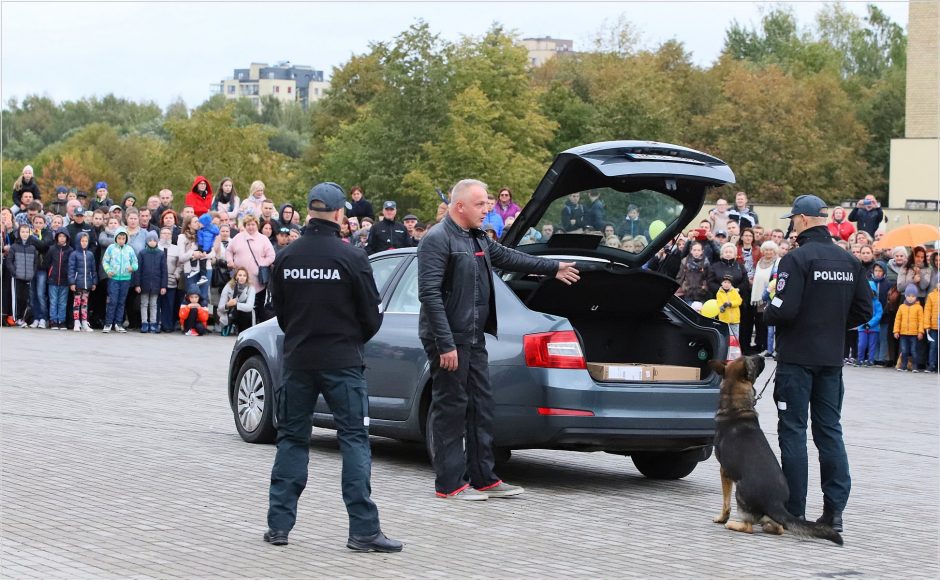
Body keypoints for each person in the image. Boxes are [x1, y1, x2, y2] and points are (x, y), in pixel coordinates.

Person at [417, 178, 580, 501]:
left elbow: (511, 258)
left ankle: (484, 477)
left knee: (481, 406)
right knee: (451, 409)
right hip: (449, 340)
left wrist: (554, 268)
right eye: (480, 205)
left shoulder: (477, 237)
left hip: (475, 337)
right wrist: (446, 343)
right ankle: (450, 484)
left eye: (488, 203)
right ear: (460, 206)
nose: (487, 210)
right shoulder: (437, 239)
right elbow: (430, 295)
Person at [264, 181, 402, 553]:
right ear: (341, 214)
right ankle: (363, 531)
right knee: (354, 441)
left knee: (292, 439)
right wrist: (349, 339)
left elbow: (280, 313)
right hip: (342, 363)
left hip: (299, 360)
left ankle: (278, 526)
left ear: (310, 211)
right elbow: (371, 317)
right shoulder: (352, 258)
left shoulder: (288, 257)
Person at [763, 194, 871, 533]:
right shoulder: (849, 260)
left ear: (805, 220)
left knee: (793, 431)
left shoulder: (797, 259)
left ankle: (793, 510)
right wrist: (832, 326)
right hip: (831, 361)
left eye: (793, 219)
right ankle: (834, 512)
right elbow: (864, 311)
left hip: (797, 360)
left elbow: (783, 309)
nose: (791, 225)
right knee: (829, 431)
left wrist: (765, 314)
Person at [225, 215, 275, 321]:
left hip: (257, 279)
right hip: (240, 279)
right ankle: (241, 325)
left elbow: (271, 256)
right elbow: (228, 251)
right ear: (245, 226)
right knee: (241, 303)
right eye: (248, 225)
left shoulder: (263, 239)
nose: (251, 227)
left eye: (253, 224)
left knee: (258, 304)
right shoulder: (238, 237)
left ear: (257, 225)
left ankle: (257, 324)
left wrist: (262, 264)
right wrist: (230, 261)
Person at [101, 227, 139, 333]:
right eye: (119, 238)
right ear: (116, 238)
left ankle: (118, 323)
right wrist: (108, 270)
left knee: (121, 302)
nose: (121, 240)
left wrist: (133, 267)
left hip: (126, 279)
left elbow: (135, 262)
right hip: (113, 278)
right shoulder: (111, 248)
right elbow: (105, 261)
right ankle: (108, 323)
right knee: (112, 301)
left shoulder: (130, 249)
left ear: (126, 239)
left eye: (123, 238)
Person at [133, 231, 168, 333]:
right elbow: (138, 270)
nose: (152, 242)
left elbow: (164, 271)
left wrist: (163, 286)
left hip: (156, 285)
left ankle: (153, 323)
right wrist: (137, 284)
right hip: (144, 284)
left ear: (157, 241)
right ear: (147, 241)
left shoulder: (161, 254)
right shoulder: (142, 253)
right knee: (144, 304)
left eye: (154, 240)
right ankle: (144, 323)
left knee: (153, 304)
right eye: (150, 240)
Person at [7, 223, 41, 327]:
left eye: (27, 232)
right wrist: (14, 272)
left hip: (28, 278)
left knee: (25, 299)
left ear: (30, 233)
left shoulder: (32, 248)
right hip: (17, 277)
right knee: (17, 298)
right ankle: (16, 318)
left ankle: (22, 318)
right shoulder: (14, 247)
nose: (25, 234)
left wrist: (33, 273)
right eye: (22, 232)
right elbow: (9, 261)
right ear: (19, 233)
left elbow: (36, 262)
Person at [68, 231, 97, 332]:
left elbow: (93, 270)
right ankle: (76, 322)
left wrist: (94, 282)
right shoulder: (74, 254)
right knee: (76, 304)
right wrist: (72, 282)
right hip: (77, 284)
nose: (84, 243)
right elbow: (71, 269)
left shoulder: (90, 255)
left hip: (87, 284)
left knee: (85, 304)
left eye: (86, 241)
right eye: (82, 241)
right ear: (78, 241)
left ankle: (84, 322)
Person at [45, 228, 73, 330]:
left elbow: (71, 266)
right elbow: (47, 263)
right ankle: (53, 321)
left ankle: (61, 321)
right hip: (53, 280)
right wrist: (50, 273)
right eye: (60, 236)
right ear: (56, 238)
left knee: (62, 302)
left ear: (67, 238)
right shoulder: (52, 249)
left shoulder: (70, 250)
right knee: (53, 301)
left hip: (65, 281)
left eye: (64, 236)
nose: (62, 238)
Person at [893, 284, 924, 372]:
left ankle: (914, 366)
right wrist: (896, 331)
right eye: (909, 296)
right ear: (905, 296)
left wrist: (920, 332)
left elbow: (921, 321)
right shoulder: (901, 307)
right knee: (904, 350)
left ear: (916, 297)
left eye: (913, 296)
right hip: (903, 334)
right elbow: (897, 320)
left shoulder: (919, 308)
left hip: (914, 334)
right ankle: (903, 366)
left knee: (914, 350)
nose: (911, 298)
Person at [218, 266, 256, 336]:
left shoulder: (251, 288)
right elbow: (220, 308)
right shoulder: (228, 286)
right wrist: (227, 305)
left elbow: (249, 307)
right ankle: (229, 326)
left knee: (246, 313)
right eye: (240, 275)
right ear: (235, 276)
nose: (242, 277)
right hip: (230, 312)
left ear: (247, 278)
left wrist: (236, 304)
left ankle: (242, 330)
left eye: (244, 276)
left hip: (244, 314)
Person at [854, 281, 883, 367]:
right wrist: (864, 324)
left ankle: (870, 360)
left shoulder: (877, 303)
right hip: (862, 327)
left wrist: (869, 324)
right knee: (861, 344)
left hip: (873, 328)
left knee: (872, 345)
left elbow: (878, 315)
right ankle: (860, 359)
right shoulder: (861, 303)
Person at [923, 283, 939, 373]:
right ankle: (931, 364)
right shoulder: (931, 296)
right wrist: (927, 325)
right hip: (933, 327)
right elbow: (927, 311)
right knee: (933, 346)